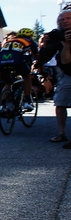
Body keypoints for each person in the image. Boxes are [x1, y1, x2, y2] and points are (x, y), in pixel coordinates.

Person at [0, 29, 37, 112]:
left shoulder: (9, 41)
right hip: (16, 61)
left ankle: (1, 106)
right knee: (27, 77)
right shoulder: (29, 41)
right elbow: (36, 56)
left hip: (2, 62)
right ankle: (27, 101)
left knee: (7, 84)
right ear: (30, 36)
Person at [46, 10, 71, 144]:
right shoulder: (57, 35)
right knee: (60, 103)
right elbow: (65, 60)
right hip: (66, 73)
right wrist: (45, 45)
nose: (65, 21)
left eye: (68, 18)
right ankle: (61, 133)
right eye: (62, 19)